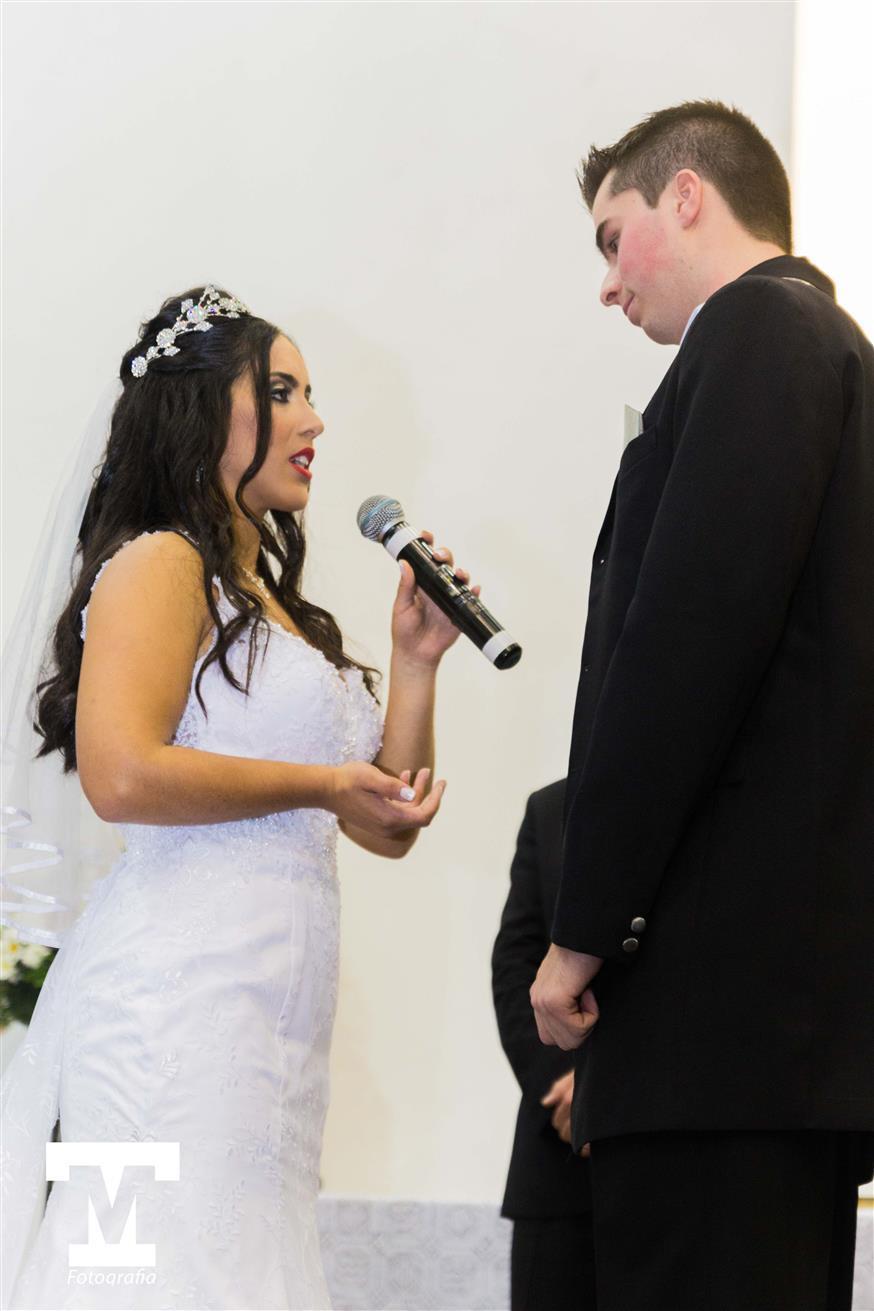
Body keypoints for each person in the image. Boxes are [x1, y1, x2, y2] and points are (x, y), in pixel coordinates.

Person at [0, 283, 476, 1309]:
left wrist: (416, 662)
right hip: (163, 1013)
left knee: (242, 1267)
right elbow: (122, 773)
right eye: (287, 391)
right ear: (211, 409)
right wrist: (319, 783)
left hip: (267, 1025)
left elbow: (381, 821)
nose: (315, 421)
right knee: (126, 1271)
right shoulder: (160, 564)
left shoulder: (272, 602)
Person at [529, 101, 874, 1311]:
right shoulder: (818, 348)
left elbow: (684, 650)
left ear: (687, 196)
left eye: (611, 238)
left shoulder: (759, 337)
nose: (607, 287)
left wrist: (582, 928)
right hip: (772, 1033)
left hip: (717, 1025)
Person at [491, 777, 595, 1311]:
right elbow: (515, 966)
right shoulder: (550, 808)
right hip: (557, 1160)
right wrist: (562, 1083)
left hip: (680, 1167)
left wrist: (608, 1086)